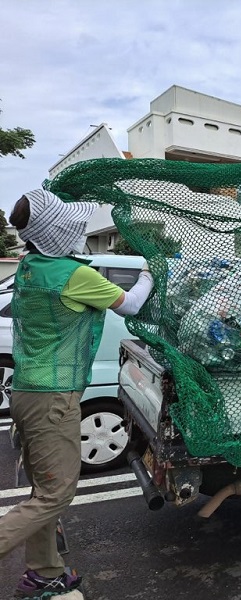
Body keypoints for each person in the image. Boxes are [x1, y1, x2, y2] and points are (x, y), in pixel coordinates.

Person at [0, 190, 154, 597]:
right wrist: (148, 275)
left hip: (27, 393)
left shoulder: (31, 265)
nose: (80, 230)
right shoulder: (74, 276)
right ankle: (41, 572)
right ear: (60, 232)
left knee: (42, 492)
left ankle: (43, 574)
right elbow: (130, 306)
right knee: (56, 495)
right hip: (53, 399)